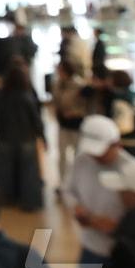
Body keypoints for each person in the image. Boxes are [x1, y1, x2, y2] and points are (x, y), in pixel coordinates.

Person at [63, 115, 133, 268]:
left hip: (123, 259)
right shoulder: (82, 162)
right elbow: (68, 190)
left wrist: (118, 228)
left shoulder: (131, 171)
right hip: (91, 252)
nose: (96, 158)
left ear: (117, 145)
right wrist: (78, 209)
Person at [0, 59, 46, 210]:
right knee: (28, 172)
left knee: (4, 171)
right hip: (26, 138)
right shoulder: (27, 96)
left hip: (4, 138)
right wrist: (42, 136)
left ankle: (6, 198)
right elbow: (36, 119)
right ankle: (29, 202)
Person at [51, 60, 87, 189]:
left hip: (76, 125)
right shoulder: (58, 84)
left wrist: (75, 113)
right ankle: (63, 183)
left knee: (78, 155)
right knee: (62, 155)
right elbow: (56, 101)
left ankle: (78, 183)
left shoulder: (79, 85)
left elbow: (85, 106)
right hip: (63, 124)